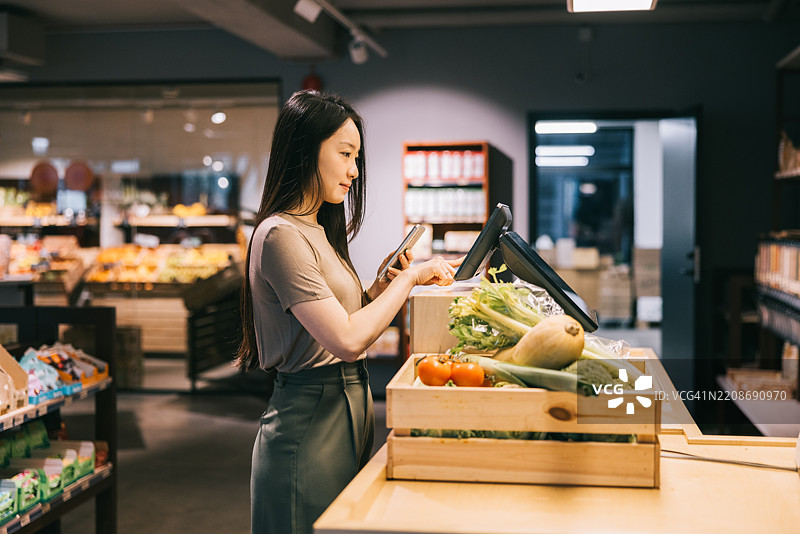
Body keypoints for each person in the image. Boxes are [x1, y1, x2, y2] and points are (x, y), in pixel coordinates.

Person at [236, 89, 462, 534]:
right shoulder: (280, 235)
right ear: (305, 149)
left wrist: (378, 287)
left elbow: (346, 316)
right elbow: (346, 339)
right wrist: (409, 279)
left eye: (356, 157)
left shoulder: (317, 228)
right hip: (308, 417)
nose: (354, 171)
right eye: (345, 154)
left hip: (347, 407)